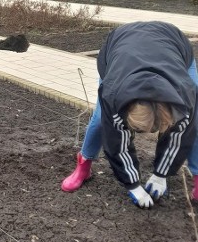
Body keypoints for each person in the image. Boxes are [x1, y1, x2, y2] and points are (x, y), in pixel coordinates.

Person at [61, 21, 198, 207]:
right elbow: (116, 142)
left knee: (194, 122)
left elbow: (181, 136)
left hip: (171, 42)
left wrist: (161, 175)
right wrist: (132, 185)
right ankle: (83, 165)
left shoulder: (184, 98)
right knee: (101, 120)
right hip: (120, 47)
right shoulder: (112, 94)